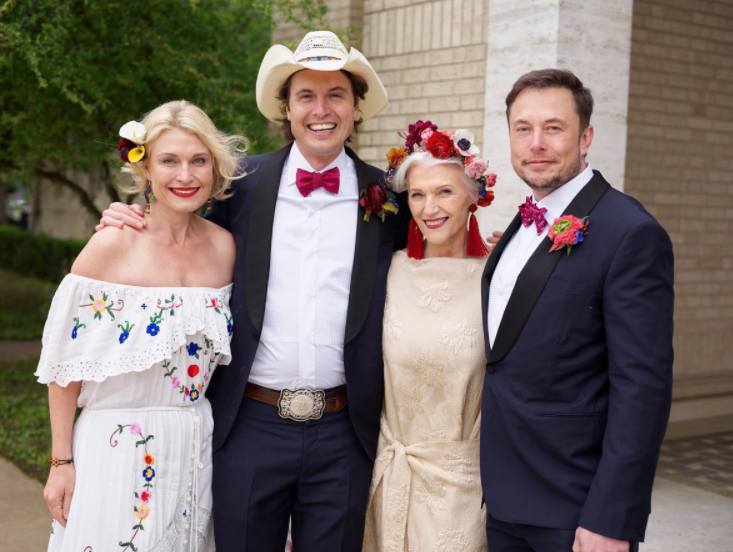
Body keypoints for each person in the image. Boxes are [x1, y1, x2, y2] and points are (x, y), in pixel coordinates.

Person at [97, 31, 410, 551]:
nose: (321, 109)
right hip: (248, 424)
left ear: (356, 108)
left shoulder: (391, 199)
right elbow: (177, 235)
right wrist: (130, 214)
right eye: (305, 96)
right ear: (285, 109)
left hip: (344, 433)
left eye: (336, 94)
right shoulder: (237, 187)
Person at [480, 69, 674, 552]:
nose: (536, 143)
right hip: (502, 500)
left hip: (574, 508)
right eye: (523, 128)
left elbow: (642, 388)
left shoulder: (629, 231)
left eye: (554, 127)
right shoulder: (520, 222)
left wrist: (612, 518)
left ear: (586, 137)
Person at [37, 100, 242, 551]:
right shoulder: (110, 245)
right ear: (145, 166)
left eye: (198, 161)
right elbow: (63, 367)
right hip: (115, 452)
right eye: (169, 161)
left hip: (195, 450)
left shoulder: (225, 249)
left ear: (215, 168)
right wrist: (60, 461)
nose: (185, 176)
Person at [362, 122, 495, 551]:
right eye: (417, 194)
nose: (429, 207)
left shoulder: (498, 278)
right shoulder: (387, 271)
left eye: (444, 192)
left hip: (464, 493)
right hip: (388, 479)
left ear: (473, 198)